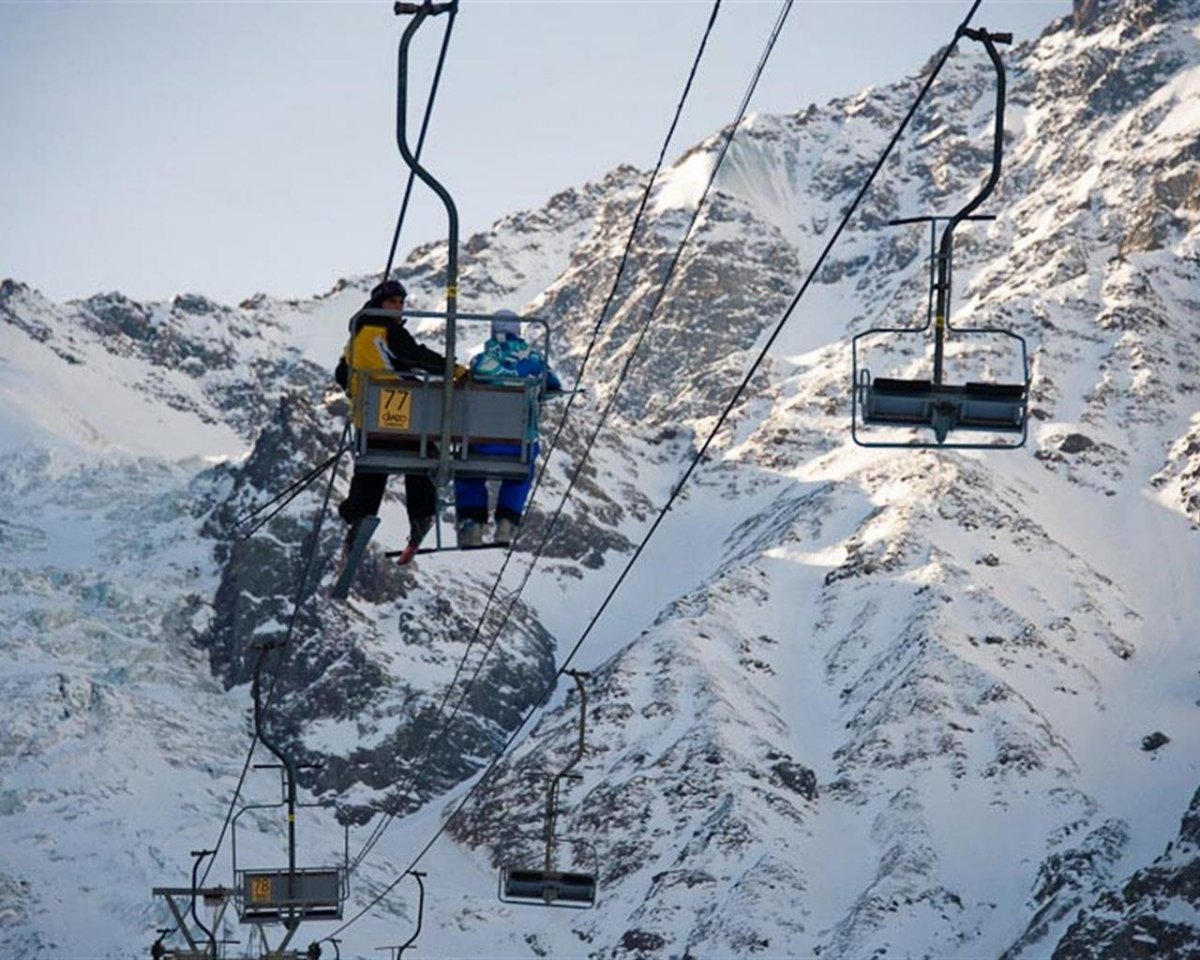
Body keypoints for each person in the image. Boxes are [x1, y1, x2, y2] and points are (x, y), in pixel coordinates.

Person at [335, 279, 449, 563]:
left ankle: (357, 515)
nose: (398, 307)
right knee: (423, 458)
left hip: (369, 418)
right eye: (392, 302)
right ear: (380, 303)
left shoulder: (356, 335)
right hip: (401, 413)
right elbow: (415, 355)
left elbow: (342, 373)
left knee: (371, 468)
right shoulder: (387, 330)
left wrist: (354, 390)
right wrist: (450, 368)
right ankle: (422, 516)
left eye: (400, 302)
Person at [454, 310, 562, 546]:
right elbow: (554, 385)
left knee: (466, 468)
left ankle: (472, 524)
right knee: (523, 470)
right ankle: (506, 522)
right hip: (518, 444)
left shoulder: (480, 361)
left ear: (492, 330)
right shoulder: (535, 360)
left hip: (480, 442)